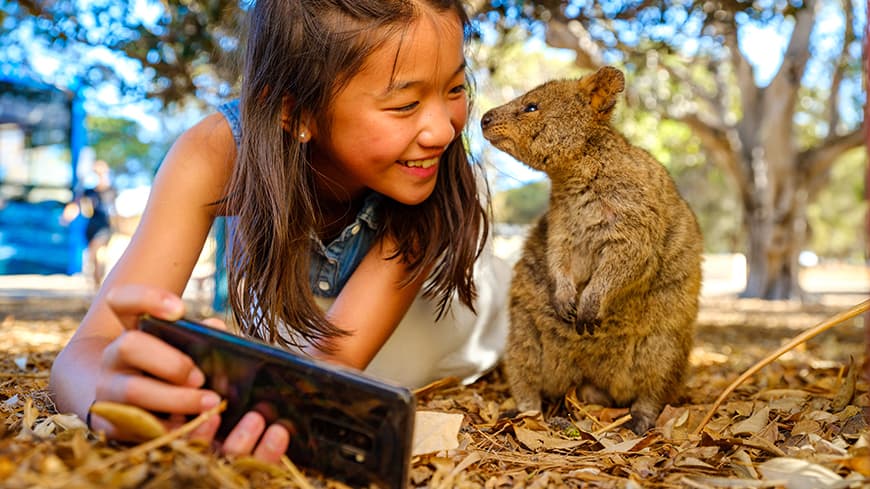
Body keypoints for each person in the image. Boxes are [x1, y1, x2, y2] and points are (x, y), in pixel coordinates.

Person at [49, 0, 509, 464]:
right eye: (405, 104)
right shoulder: (215, 153)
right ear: (295, 112)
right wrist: (110, 401)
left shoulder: (432, 182)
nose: (443, 131)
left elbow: (328, 365)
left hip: (467, 315)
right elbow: (83, 353)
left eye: (454, 86)